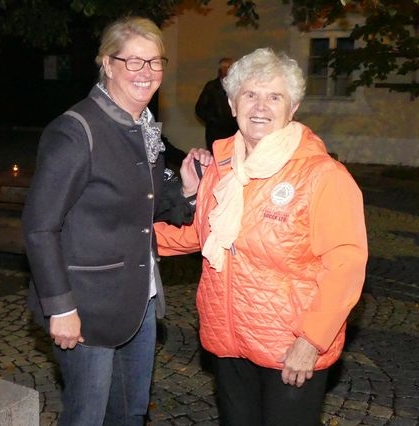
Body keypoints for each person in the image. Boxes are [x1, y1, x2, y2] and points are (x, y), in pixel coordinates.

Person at [155, 47, 368, 426]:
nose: (260, 107)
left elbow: (346, 265)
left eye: (274, 97)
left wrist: (311, 340)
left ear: (293, 107)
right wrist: (126, 238)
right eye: (250, 94)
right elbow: (200, 233)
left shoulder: (323, 176)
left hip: (288, 347)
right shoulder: (221, 168)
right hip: (229, 339)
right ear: (232, 104)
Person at [22, 17, 209, 426]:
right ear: (107, 63)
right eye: (133, 61)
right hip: (86, 307)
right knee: (87, 417)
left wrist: (187, 189)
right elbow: (39, 228)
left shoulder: (143, 127)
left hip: (138, 301)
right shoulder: (76, 131)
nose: (147, 72)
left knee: (130, 412)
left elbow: (146, 204)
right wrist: (60, 308)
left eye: (155, 61)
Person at [195, 57, 239, 151]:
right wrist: (214, 120)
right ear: (220, 70)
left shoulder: (238, 87)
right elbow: (200, 109)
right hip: (216, 134)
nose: (226, 70)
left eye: (229, 67)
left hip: (234, 133)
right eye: (224, 67)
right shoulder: (211, 87)